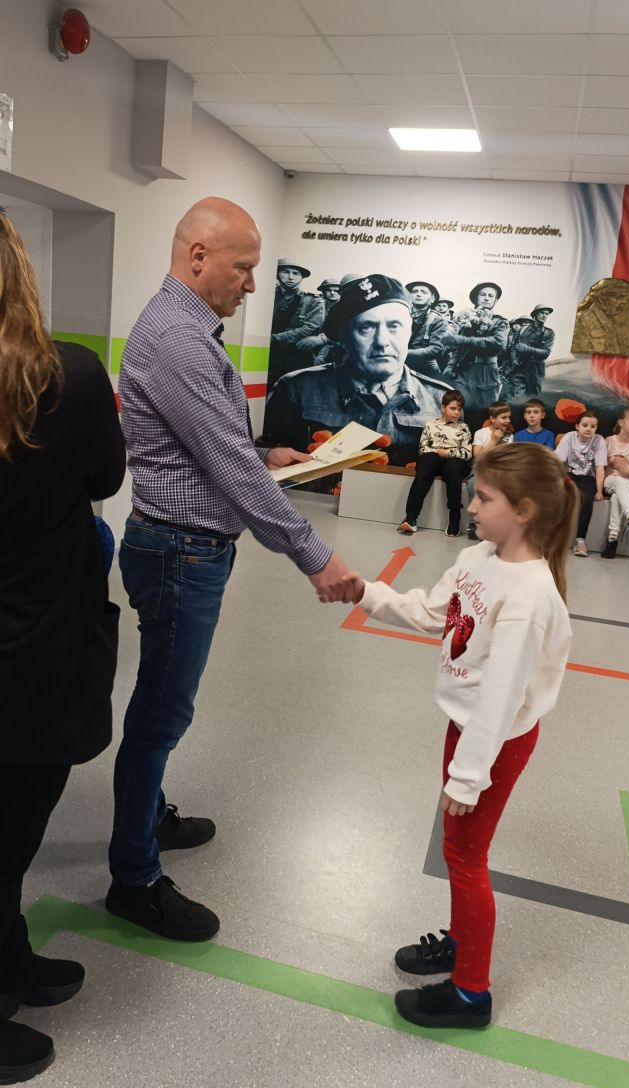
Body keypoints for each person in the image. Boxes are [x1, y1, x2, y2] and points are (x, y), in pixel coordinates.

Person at [109, 198, 352, 943]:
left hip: (184, 547)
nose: (251, 284)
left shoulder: (187, 330)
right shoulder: (177, 339)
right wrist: (314, 555)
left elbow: (218, 445)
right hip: (179, 551)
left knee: (162, 707)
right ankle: (133, 879)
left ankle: (148, 816)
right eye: (243, 268)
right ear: (198, 258)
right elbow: (227, 470)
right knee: (160, 716)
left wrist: (267, 452)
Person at [335, 444, 577, 1029]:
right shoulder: (478, 557)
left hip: (494, 740)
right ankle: (463, 940)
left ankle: (471, 992)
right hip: (467, 725)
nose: (470, 506)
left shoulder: (529, 596)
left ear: (523, 510)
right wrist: (366, 592)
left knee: (466, 857)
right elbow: (432, 613)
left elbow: (502, 697)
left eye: (484, 498)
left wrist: (469, 777)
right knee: (457, 848)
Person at [0, 210, 125, 1083]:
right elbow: (105, 476)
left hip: (27, 645)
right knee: (10, 828)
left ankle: (9, 961)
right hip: (34, 647)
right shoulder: (67, 377)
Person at [264, 275, 449, 467]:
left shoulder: (442, 400)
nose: (382, 342)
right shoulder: (296, 390)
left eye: (394, 326)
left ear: (409, 331)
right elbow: (270, 460)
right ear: (344, 337)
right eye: (366, 327)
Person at [397, 390, 472, 538]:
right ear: (443, 407)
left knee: (453, 467)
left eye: (459, 409)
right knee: (426, 461)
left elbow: (467, 453)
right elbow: (423, 448)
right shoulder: (430, 425)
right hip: (434, 459)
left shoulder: (463, 428)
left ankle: (454, 517)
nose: (457, 412)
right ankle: (411, 517)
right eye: (453, 408)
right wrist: (438, 452)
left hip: (455, 462)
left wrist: (448, 453)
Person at [445, 283, 509, 433]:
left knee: (484, 416)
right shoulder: (465, 318)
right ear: (475, 298)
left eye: (491, 296)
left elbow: (498, 344)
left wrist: (469, 340)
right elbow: (458, 347)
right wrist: (450, 366)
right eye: (483, 294)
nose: (486, 298)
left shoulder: (500, 321)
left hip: (485, 374)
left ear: (495, 300)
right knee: (457, 414)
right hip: (462, 372)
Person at [555, 410, 607, 557]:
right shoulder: (569, 437)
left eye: (593, 426)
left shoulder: (599, 440)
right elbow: (558, 462)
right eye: (585, 425)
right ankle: (554, 536)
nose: (588, 429)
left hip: (587, 477)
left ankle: (580, 541)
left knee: (587, 499)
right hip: (569, 475)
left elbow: (600, 467)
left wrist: (599, 491)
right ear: (577, 426)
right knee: (560, 496)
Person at [267, 257, 325, 384]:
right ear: (277, 274)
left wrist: (274, 338)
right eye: (285, 272)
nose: (290, 277)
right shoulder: (266, 296)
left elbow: (310, 328)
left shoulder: (313, 301)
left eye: (295, 274)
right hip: (266, 355)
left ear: (302, 277)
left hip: (295, 358)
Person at [600, 408, 629, 559]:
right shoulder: (608, 441)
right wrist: (611, 461)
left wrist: (624, 470)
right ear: (621, 423)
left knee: (616, 498)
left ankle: (612, 539)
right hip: (610, 481)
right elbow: (600, 464)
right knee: (618, 481)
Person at [466, 401, 514, 540]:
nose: (507, 421)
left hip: (499, 470)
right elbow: (478, 456)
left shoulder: (509, 436)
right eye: (503, 417)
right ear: (492, 419)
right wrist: (493, 441)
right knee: (472, 484)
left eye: (509, 417)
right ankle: (474, 524)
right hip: (480, 468)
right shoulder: (481, 433)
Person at [501, 305, 555, 398]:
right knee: (515, 394)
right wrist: (514, 360)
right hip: (520, 366)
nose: (544, 316)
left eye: (547, 314)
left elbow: (546, 353)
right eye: (542, 313)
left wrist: (526, 348)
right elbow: (514, 346)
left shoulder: (549, 333)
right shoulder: (523, 329)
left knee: (533, 396)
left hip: (536, 369)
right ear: (535, 314)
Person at [293, 278, 342, 366]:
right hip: (310, 341)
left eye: (336, 291)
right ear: (323, 292)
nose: (332, 293)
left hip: (332, 345)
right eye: (329, 290)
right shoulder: (314, 305)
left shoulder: (344, 307)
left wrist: (321, 354)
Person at [404, 280, 448, 379]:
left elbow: (435, 349)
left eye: (424, 292)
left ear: (432, 298)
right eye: (414, 291)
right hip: (400, 364)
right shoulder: (402, 314)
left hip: (424, 368)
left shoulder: (437, 319)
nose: (418, 294)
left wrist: (403, 352)